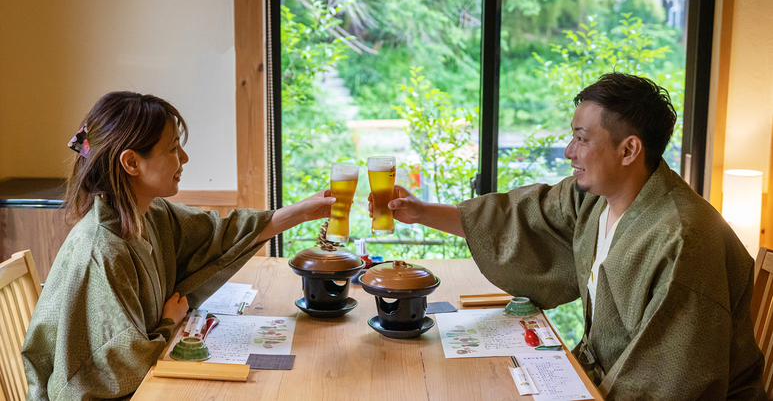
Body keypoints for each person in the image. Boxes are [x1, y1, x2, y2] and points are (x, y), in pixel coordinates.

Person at [371, 73, 766, 400]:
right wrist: (420, 213)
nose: (567, 151)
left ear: (629, 150)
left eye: (581, 138)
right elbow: (521, 220)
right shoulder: (595, 198)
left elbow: (669, 380)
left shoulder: (684, 241)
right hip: (599, 383)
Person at [22, 92, 336, 400]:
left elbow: (219, 234)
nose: (183, 157)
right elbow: (116, 366)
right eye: (173, 148)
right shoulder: (102, 250)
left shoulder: (151, 213)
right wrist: (169, 323)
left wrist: (302, 211)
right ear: (132, 162)